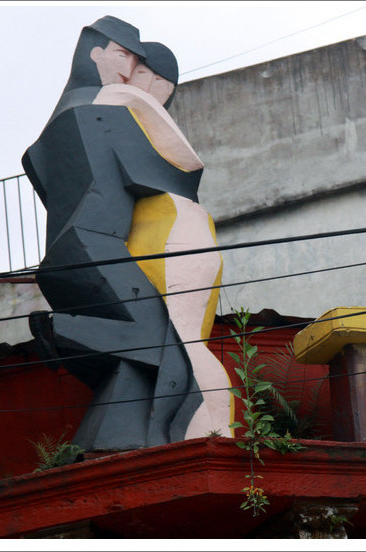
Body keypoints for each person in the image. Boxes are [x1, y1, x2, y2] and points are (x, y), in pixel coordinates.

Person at [23, 17, 207, 450]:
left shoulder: (50, 131)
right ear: (93, 52)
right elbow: (176, 177)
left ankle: (106, 438)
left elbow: (39, 172)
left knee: (136, 365)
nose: (127, 73)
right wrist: (150, 112)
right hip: (99, 244)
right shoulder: (106, 111)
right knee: (169, 343)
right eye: (124, 57)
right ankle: (60, 330)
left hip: (62, 254)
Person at [94, 41, 233, 438]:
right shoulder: (137, 108)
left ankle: (214, 430)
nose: (124, 75)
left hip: (174, 231)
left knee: (185, 338)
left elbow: (105, 99)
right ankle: (198, 427)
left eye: (134, 68)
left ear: (158, 83)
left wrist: (112, 79)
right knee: (177, 337)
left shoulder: (127, 100)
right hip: (166, 230)